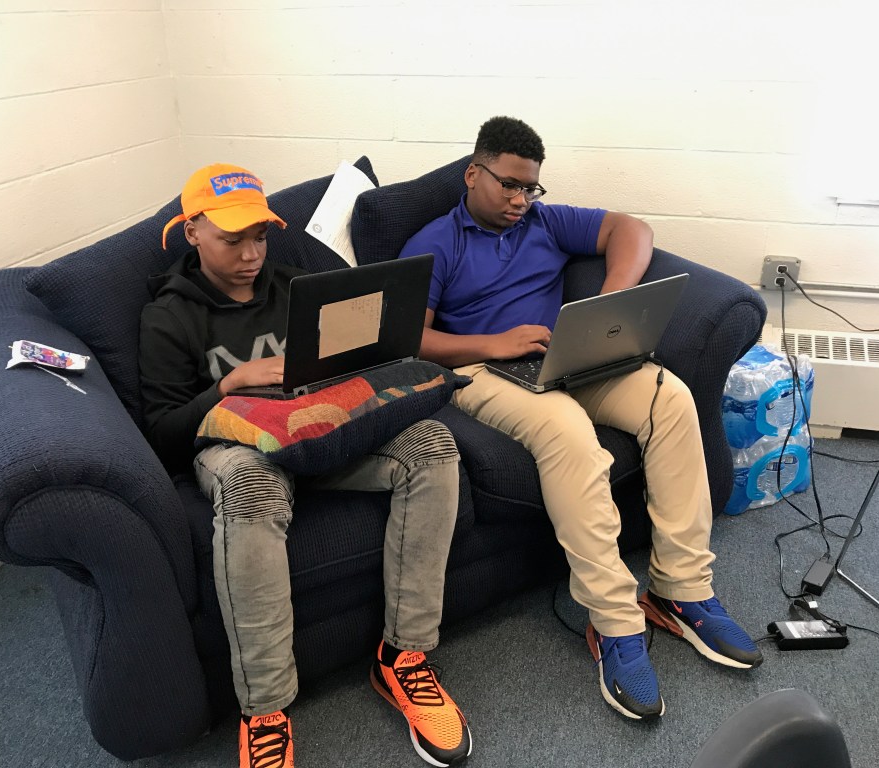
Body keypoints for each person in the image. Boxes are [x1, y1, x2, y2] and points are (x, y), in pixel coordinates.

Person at [398, 117, 763, 722]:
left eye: (530, 188)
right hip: (481, 371)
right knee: (567, 430)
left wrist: (608, 299)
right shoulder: (434, 242)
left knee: (669, 398)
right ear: (472, 174)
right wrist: (493, 343)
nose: (520, 200)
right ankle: (615, 622)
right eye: (509, 185)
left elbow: (630, 228)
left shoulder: (546, 220)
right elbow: (410, 339)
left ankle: (681, 590)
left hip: (566, 356)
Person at [139, 163, 472, 768]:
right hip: (237, 447)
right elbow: (163, 434)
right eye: (232, 240)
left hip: (323, 430)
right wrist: (230, 384)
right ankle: (265, 711)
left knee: (431, 444)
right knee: (249, 487)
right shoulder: (169, 317)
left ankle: (404, 657)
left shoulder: (299, 288)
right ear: (192, 232)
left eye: (259, 237)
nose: (250, 255)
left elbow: (352, 369)